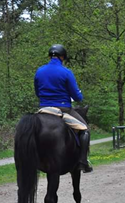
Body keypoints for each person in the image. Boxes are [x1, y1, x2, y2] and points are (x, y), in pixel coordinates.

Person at [34, 44, 93, 173]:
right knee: (85, 129)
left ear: (50, 56)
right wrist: (78, 95)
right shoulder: (66, 72)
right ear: (62, 57)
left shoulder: (39, 71)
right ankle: (83, 161)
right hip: (63, 108)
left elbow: (37, 92)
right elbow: (77, 97)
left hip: (44, 108)